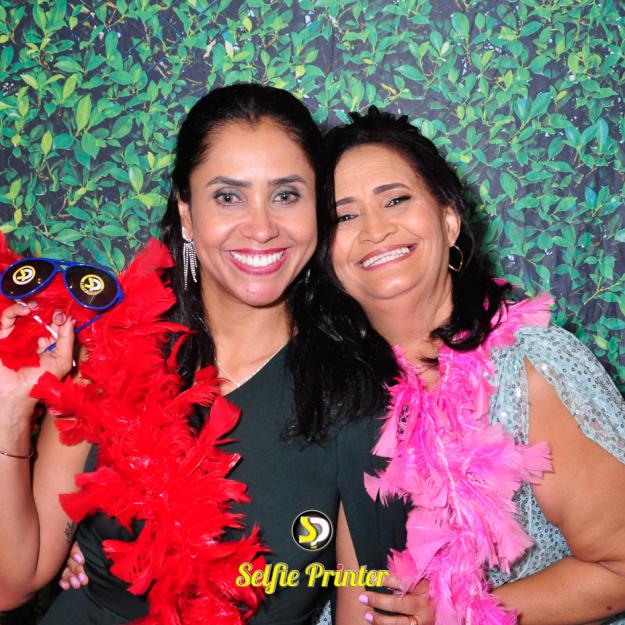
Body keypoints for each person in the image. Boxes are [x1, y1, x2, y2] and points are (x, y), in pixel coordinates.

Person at [0, 86, 406, 625]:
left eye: (286, 195)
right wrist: (11, 410)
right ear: (187, 214)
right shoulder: (109, 347)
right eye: (228, 197)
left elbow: (367, 606)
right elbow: (12, 582)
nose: (261, 227)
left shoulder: (363, 397)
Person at [317, 107, 625, 625]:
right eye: (344, 216)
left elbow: (620, 569)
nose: (375, 229)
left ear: (448, 219)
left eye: (396, 199)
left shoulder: (531, 370)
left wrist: (457, 613)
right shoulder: (342, 386)